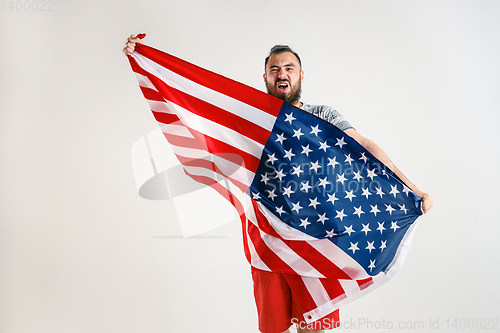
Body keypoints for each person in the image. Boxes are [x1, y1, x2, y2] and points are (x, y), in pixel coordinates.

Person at [123, 35, 434, 333]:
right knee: (274, 328)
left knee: (314, 326)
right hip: (266, 239)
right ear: (265, 78)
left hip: (315, 238)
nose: (281, 73)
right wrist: (142, 57)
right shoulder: (251, 119)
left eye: (289, 68)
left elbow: (364, 146)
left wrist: (410, 187)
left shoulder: (321, 116)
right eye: (274, 69)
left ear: (300, 76)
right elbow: (197, 110)